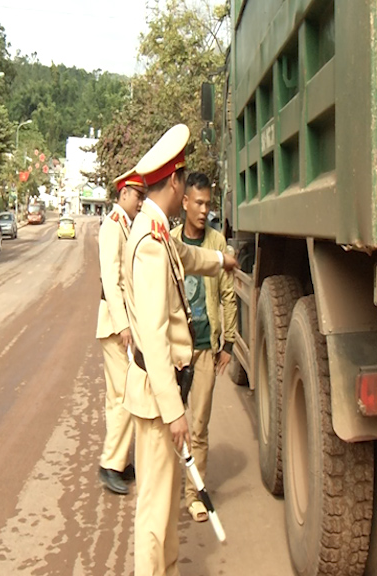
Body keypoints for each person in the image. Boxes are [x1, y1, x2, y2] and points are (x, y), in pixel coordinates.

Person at [122, 123, 238, 576]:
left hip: (162, 393)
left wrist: (221, 260)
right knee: (154, 512)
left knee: (167, 504)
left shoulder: (158, 230)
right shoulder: (150, 241)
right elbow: (152, 334)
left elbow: (188, 258)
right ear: (174, 182)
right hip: (157, 398)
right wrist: (174, 411)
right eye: (184, 180)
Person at [170, 172, 236, 522]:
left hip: (207, 349)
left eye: (208, 204)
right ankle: (168, 485)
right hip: (177, 350)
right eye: (197, 202)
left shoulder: (217, 242)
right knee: (171, 421)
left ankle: (194, 494)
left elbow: (228, 295)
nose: (203, 209)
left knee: (199, 425)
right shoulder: (170, 241)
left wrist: (228, 343)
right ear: (184, 202)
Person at [95, 168, 145, 495]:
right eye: (138, 195)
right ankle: (111, 465)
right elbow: (110, 281)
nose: (141, 202)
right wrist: (125, 324)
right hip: (116, 325)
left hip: (120, 323)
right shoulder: (113, 226)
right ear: (123, 192)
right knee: (127, 395)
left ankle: (118, 462)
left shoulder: (125, 225)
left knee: (118, 396)